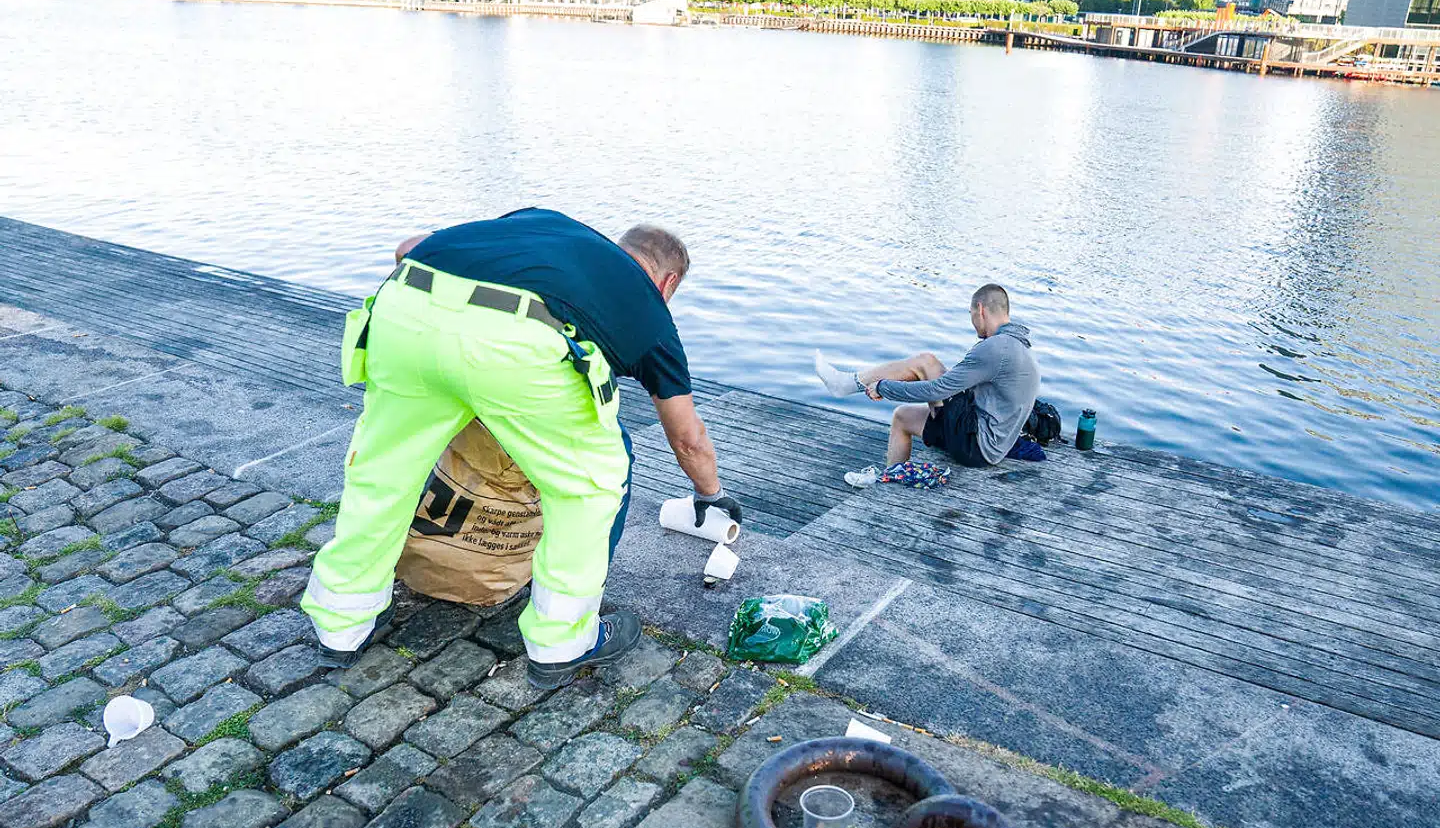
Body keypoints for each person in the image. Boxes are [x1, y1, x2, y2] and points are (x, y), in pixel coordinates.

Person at [303, 208, 741, 688]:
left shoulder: (547, 225)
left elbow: (408, 247)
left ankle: (341, 624)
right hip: (516, 346)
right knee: (587, 487)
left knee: (382, 474)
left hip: (402, 311)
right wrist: (710, 495)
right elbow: (686, 436)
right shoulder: (646, 305)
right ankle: (563, 640)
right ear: (668, 282)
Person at [814, 283, 1039, 469]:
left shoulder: (997, 348)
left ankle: (847, 384)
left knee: (926, 363)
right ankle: (891, 480)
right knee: (902, 417)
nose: (972, 321)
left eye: (970, 313)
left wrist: (883, 387)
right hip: (988, 446)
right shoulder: (1019, 346)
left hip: (976, 444)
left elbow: (937, 389)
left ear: (980, 309)